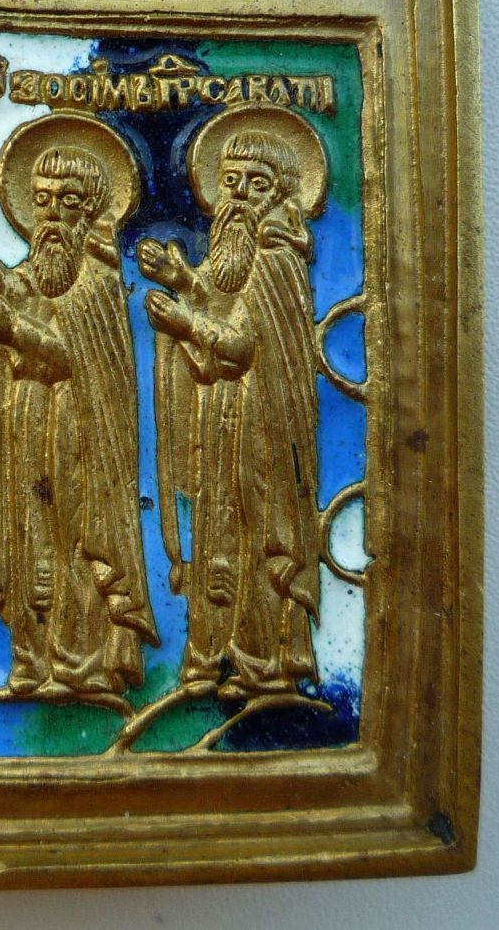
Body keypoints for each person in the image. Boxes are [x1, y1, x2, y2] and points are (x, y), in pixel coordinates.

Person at [0, 132, 158, 697]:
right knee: (25, 538)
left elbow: (74, 356)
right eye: (41, 200)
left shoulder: (98, 277)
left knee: (76, 539)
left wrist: (8, 326)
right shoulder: (36, 272)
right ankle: (31, 658)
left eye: (67, 201)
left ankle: (81, 663)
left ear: (91, 210)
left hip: (79, 429)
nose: (51, 214)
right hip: (26, 419)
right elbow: (23, 297)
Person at [138, 108, 324, 701]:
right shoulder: (240, 254)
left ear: (283, 194)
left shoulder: (276, 256)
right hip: (225, 417)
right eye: (231, 182)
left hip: (262, 427)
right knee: (218, 532)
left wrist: (185, 322)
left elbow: (242, 344)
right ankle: (212, 652)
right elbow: (225, 301)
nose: (239, 196)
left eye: (256, 184)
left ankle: (261, 660)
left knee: (253, 535)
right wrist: (184, 280)